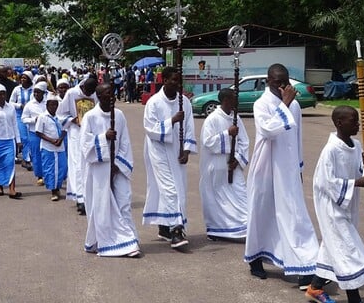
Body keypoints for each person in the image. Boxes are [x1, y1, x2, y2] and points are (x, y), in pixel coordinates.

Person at [244, 64, 319, 289]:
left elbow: (296, 138)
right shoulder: (261, 104)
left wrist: (298, 168)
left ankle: (306, 265)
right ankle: (256, 258)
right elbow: (268, 130)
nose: (283, 86)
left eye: (286, 82)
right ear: (268, 81)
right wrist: (284, 104)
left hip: (287, 169)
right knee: (261, 212)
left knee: (294, 215)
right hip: (265, 167)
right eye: (278, 82)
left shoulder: (294, 105)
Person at [305, 106, 364, 303]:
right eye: (353, 120)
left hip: (347, 204)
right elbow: (325, 182)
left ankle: (315, 287)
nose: (357, 124)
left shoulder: (356, 145)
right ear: (339, 123)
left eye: (357, 120)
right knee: (348, 251)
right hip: (331, 207)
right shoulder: (331, 150)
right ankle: (355, 298)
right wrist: (357, 183)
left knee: (333, 247)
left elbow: (359, 170)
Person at [82, 84, 140, 257]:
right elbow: (85, 144)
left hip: (118, 167)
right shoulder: (90, 116)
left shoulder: (119, 115)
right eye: (108, 94)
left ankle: (129, 241)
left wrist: (117, 164)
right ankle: (104, 241)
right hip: (98, 168)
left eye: (113, 93)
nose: (113, 97)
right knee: (101, 206)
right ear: (99, 96)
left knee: (123, 202)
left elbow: (125, 142)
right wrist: (103, 137)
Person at [142, 66, 197, 249]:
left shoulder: (185, 103)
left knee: (179, 188)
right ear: (164, 80)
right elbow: (150, 128)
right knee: (170, 189)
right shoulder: (154, 102)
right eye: (173, 80)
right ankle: (176, 230)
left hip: (177, 151)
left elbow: (189, 127)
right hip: (158, 150)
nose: (177, 83)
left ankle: (164, 226)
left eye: (179, 80)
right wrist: (172, 121)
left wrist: (187, 149)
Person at [199, 88, 249, 241]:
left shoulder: (236, 118)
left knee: (241, 195)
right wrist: (227, 133)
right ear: (226, 100)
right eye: (234, 98)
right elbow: (208, 142)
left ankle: (245, 228)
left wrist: (238, 159)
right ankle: (218, 230)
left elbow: (244, 141)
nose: (237, 102)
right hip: (217, 166)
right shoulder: (212, 119)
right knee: (216, 199)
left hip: (233, 165)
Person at [57, 77, 98, 213]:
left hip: (90, 133)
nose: (89, 94)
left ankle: (89, 197)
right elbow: (60, 114)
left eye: (91, 93)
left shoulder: (95, 94)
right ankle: (80, 199)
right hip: (76, 132)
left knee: (89, 164)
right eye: (87, 91)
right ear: (83, 87)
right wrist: (73, 120)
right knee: (77, 165)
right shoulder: (71, 93)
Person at [0, 84, 22, 199]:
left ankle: (12, 189)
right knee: (0, 164)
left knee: (10, 164)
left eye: (3, 93)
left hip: (10, 140)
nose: (2, 96)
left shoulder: (11, 107)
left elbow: (15, 124)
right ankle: (0, 186)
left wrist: (18, 141)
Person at [35, 94, 68, 201]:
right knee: (50, 169)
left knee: (62, 168)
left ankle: (57, 186)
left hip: (60, 147)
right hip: (48, 147)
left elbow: (65, 129)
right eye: (51, 105)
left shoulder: (60, 117)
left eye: (55, 105)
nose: (54, 107)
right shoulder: (42, 117)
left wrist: (61, 139)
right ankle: (53, 190)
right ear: (47, 105)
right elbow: (39, 132)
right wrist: (51, 140)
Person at [21, 81, 48, 186]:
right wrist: (34, 120)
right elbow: (23, 119)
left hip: (46, 133)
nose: (36, 94)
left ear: (43, 93)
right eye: (35, 92)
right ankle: (39, 175)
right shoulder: (29, 105)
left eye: (39, 92)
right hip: (34, 133)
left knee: (46, 154)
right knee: (36, 155)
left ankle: (48, 174)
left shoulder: (47, 103)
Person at [10, 71, 34, 170]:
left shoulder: (33, 89)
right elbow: (11, 102)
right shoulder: (17, 89)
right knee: (24, 138)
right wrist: (19, 105)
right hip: (19, 115)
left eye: (25, 78)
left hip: (31, 115)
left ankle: (31, 157)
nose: (23, 79)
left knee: (31, 137)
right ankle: (26, 159)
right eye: (22, 78)